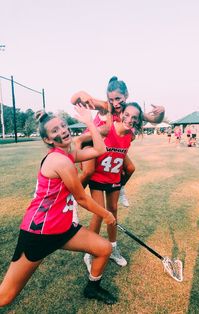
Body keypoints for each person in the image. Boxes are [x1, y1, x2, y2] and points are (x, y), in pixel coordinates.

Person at [0, 104, 118, 307]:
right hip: (39, 232)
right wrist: (106, 214)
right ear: (47, 139)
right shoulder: (59, 161)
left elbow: (100, 149)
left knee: (104, 248)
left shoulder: (68, 154)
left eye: (63, 126)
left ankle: (92, 287)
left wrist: (89, 122)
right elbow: (81, 198)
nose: (63, 130)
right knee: (5, 297)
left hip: (62, 227)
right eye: (55, 130)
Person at [71, 76, 165, 208]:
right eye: (111, 99)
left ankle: (120, 188)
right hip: (92, 141)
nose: (115, 103)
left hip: (111, 146)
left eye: (118, 99)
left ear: (126, 95)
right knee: (89, 171)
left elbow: (156, 120)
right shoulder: (106, 106)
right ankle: (73, 199)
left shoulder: (129, 110)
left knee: (130, 168)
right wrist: (81, 94)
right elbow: (74, 101)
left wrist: (162, 111)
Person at [83, 102, 143, 271]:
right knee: (99, 213)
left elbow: (121, 153)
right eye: (127, 114)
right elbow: (85, 141)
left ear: (137, 121)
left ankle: (113, 247)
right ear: (121, 112)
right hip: (97, 175)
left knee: (113, 210)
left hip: (113, 177)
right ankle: (89, 252)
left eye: (135, 117)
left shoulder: (130, 136)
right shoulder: (107, 128)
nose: (130, 119)